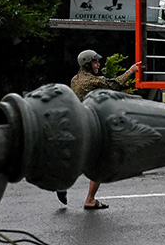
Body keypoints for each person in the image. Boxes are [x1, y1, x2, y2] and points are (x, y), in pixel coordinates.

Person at [58, 49, 140, 210]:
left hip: (78, 125)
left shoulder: (75, 79)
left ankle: (64, 182)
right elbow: (114, 84)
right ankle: (89, 199)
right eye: (95, 62)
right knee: (100, 163)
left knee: (85, 160)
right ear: (87, 64)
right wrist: (131, 71)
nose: (98, 64)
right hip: (92, 127)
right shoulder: (92, 81)